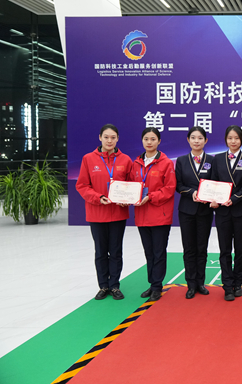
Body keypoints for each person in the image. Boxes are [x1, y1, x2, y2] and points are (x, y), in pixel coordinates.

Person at [76, 124, 133, 301]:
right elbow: (82, 185)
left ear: (117, 139)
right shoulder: (88, 159)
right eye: (106, 137)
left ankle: (114, 285)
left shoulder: (125, 160)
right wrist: (98, 197)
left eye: (113, 137)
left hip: (118, 213)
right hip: (97, 213)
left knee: (115, 251)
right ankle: (103, 286)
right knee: (100, 251)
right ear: (100, 137)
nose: (109, 140)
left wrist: (127, 198)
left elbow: (132, 185)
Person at [129, 127, 177, 302]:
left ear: (159, 141)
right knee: (148, 252)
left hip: (160, 215)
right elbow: (131, 186)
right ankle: (152, 283)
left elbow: (170, 188)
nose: (149, 142)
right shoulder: (135, 164)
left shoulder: (166, 163)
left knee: (158, 252)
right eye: (146, 139)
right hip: (142, 215)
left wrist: (150, 197)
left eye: (153, 139)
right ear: (142, 141)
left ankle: (157, 286)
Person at [210, 125, 242, 301]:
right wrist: (214, 198)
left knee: (240, 250)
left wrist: (234, 198)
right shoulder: (218, 159)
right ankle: (227, 285)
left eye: (236, 138)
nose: (233, 141)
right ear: (226, 140)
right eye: (230, 138)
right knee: (225, 250)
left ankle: (238, 283)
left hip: (240, 211)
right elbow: (213, 182)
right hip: (222, 211)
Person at [175, 126, 213, 299]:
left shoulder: (212, 160)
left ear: (205, 140)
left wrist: (210, 196)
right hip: (187, 210)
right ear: (188, 140)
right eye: (193, 138)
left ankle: (200, 282)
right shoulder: (181, 160)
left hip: (205, 210)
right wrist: (192, 192)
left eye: (200, 138)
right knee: (189, 248)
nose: (196, 141)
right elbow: (179, 185)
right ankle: (190, 284)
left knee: (202, 248)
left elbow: (216, 183)